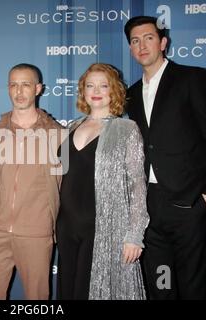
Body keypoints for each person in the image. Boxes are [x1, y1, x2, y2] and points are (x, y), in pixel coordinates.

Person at [124, 16, 206, 300]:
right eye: (135, 41)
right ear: (131, 49)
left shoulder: (193, 78)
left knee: (193, 290)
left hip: (189, 205)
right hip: (150, 207)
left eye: (148, 37)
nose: (141, 45)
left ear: (163, 42)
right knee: (161, 287)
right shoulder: (131, 94)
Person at [56, 63, 149, 300]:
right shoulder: (71, 126)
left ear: (114, 91)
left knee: (91, 292)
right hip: (66, 225)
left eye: (103, 85)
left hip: (102, 227)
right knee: (68, 290)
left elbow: (138, 184)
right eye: (90, 85)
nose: (96, 90)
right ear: (83, 91)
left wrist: (134, 235)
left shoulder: (126, 129)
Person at [0, 63, 63, 300]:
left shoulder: (58, 135)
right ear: (7, 88)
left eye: (25, 84)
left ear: (38, 89)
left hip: (36, 233)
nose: (19, 91)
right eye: (13, 84)